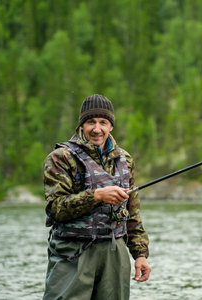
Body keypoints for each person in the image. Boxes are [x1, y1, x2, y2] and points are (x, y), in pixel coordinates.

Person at [43, 94, 150, 299]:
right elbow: (55, 209)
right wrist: (97, 196)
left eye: (103, 122)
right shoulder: (61, 158)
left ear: (111, 126)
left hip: (114, 252)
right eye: (91, 122)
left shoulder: (125, 159)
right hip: (73, 251)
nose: (97, 129)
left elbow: (133, 212)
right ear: (81, 125)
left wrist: (140, 255)